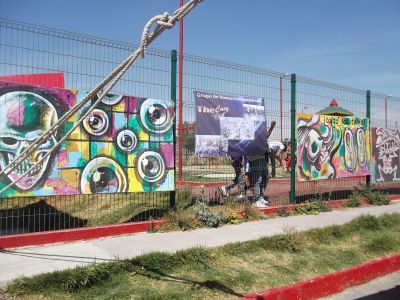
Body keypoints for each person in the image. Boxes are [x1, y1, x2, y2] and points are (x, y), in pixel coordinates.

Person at [247, 120, 276, 207]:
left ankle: (260, 197)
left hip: (262, 157)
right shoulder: (251, 132)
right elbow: (265, 137)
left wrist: (271, 127)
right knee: (258, 179)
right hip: (255, 157)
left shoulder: (259, 132)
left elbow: (265, 136)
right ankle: (256, 200)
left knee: (266, 176)